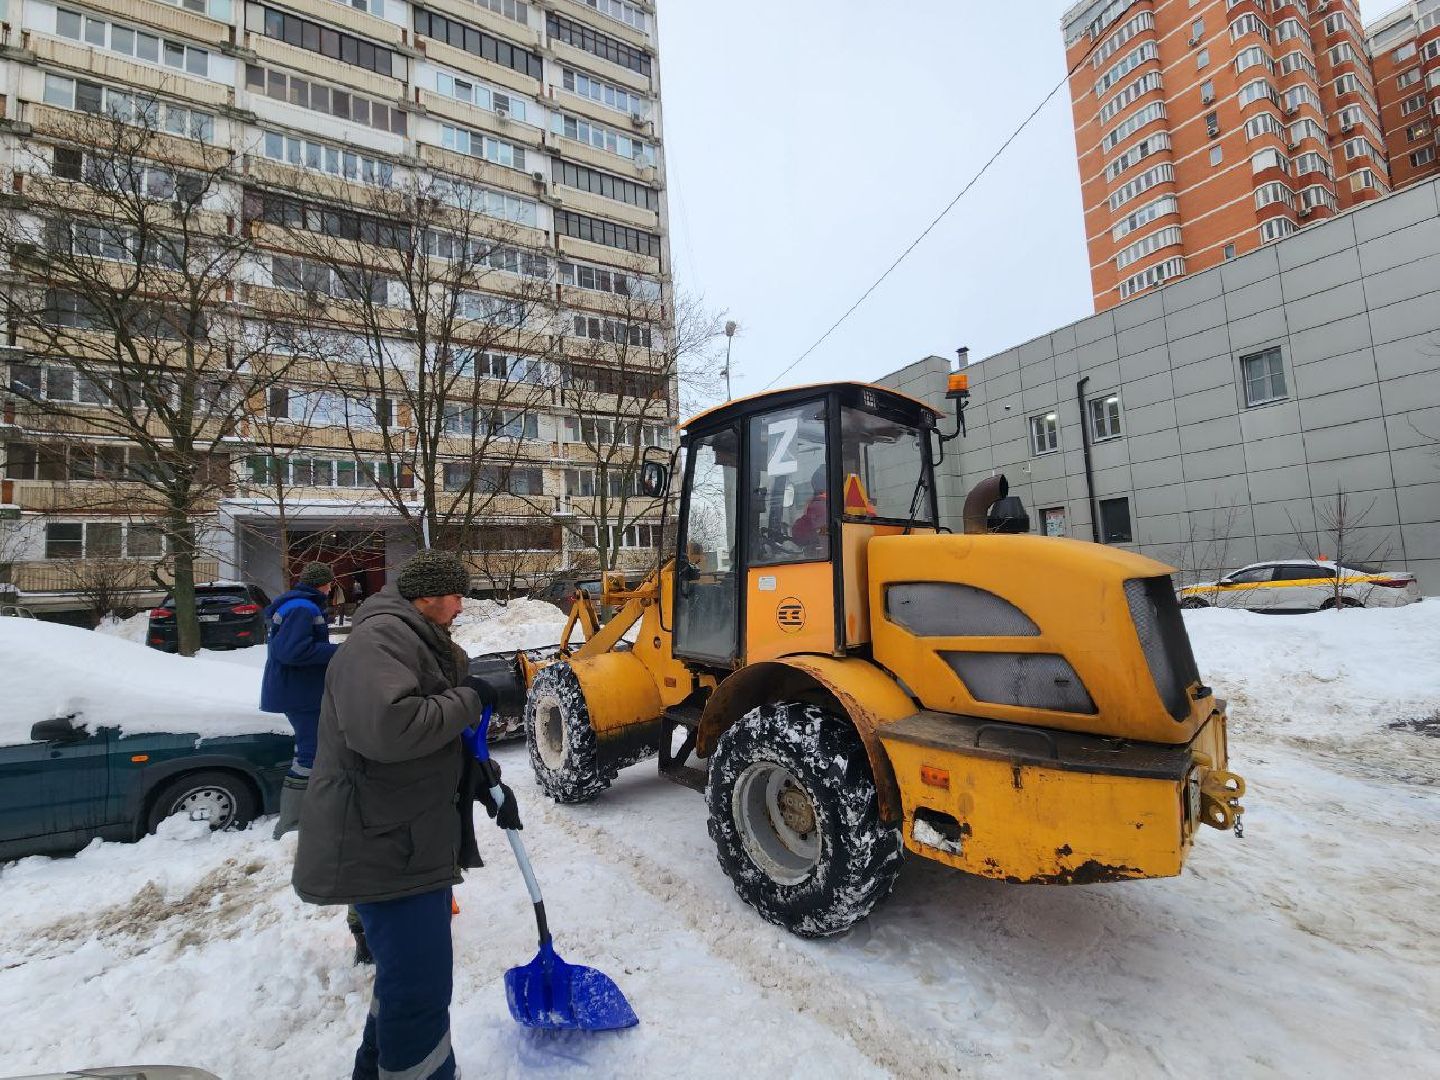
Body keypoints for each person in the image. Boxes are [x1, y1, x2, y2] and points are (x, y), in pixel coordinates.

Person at [293, 550, 516, 1080]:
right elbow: (389, 729)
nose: (462, 606)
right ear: (427, 598)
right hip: (385, 844)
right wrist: (470, 698)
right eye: (455, 595)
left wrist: (483, 782)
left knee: (404, 983)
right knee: (419, 990)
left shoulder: (412, 638)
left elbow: (430, 737)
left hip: (406, 834)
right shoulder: (378, 643)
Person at [260, 562, 339, 840]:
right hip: (300, 692)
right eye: (330, 583)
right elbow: (292, 652)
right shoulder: (303, 608)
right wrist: (337, 652)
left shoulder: (299, 604)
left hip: (299, 690)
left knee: (313, 751)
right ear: (324, 583)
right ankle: (292, 824)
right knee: (309, 753)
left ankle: (305, 818)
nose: (332, 587)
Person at [791, 464, 830, 554]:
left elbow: (800, 535)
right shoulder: (840, 502)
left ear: (815, 485)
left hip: (822, 555)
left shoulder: (818, 505)